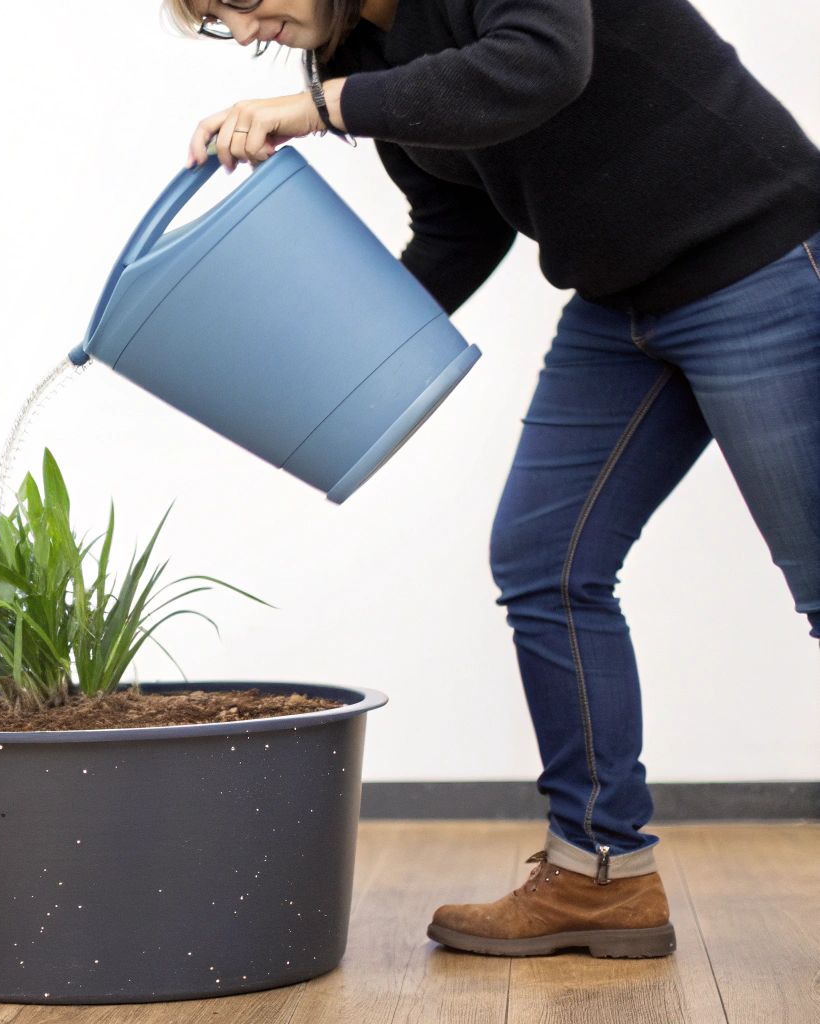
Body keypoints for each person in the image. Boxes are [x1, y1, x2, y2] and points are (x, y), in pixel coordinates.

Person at [170, 0, 820, 959]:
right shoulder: (367, 52)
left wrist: (318, 109)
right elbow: (458, 226)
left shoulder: (351, 82)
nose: (248, 28)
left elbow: (541, 60)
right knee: (544, 561)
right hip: (622, 304)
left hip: (759, 264)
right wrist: (342, 355)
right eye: (220, 21)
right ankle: (601, 875)